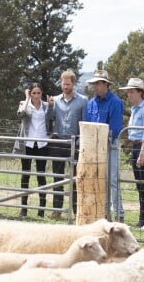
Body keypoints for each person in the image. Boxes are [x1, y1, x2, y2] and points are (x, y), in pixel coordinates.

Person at [47, 70, 88, 219]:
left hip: (75, 143)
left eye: (68, 84)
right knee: (57, 177)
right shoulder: (55, 100)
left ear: (74, 84)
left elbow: (84, 123)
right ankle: (57, 210)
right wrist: (50, 106)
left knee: (77, 178)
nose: (65, 86)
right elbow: (48, 119)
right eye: (63, 84)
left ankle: (77, 211)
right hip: (58, 142)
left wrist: (81, 142)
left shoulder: (83, 100)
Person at [85, 70, 125, 222]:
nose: (95, 86)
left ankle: (119, 214)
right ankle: (104, 212)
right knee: (99, 179)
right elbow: (88, 124)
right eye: (94, 83)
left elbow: (115, 128)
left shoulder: (115, 102)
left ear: (106, 84)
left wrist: (101, 138)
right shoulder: (91, 103)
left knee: (112, 180)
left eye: (98, 83)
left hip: (110, 145)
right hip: (94, 147)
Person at [119, 78, 144, 230]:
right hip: (136, 146)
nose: (129, 94)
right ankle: (143, 218)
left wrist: (142, 154)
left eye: (132, 91)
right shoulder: (136, 109)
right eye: (128, 92)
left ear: (140, 93)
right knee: (140, 185)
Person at [17, 83, 49, 217]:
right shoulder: (24, 104)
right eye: (33, 93)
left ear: (41, 94)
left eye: (38, 93)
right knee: (26, 175)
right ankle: (24, 208)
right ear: (30, 93)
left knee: (41, 175)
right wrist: (26, 99)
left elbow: (51, 119)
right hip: (28, 143)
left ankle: (41, 209)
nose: (36, 96)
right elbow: (20, 114)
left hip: (42, 143)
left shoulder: (46, 106)